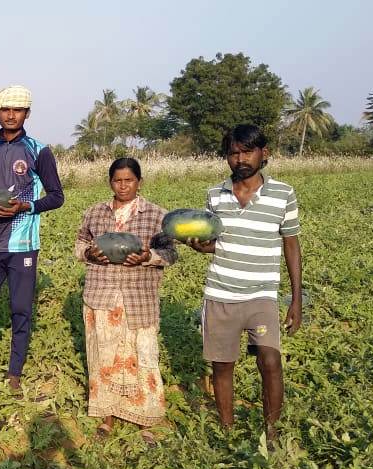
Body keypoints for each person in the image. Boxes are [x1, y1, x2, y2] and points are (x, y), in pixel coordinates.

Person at [186, 124, 302, 442]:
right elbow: (214, 242)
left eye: (247, 151)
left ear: (264, 153)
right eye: (233, 153)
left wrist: (296, 299)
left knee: (270, 359)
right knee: (222, 365)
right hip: (220, 293)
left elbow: (291, 244)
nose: (240, 159)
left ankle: (272, 433)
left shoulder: (283, 194)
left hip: (261, 295)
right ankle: (227, 431)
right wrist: (200, 246)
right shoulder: (215, 195)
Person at [74, 157, 178, 444]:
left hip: (138, 298)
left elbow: (170, 254)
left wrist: (148, 257)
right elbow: (80, 244)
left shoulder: (157, 215)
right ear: (110, 182)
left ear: (139, 182)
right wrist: (88, 254)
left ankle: (145, 420)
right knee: (104, 355)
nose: (123, 186)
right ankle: (107, 417)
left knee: (143, 355)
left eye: (129, 180)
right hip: (102, 295)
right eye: (117, 181)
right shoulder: (95, 213)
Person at [0, 85, 64, 390]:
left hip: (23, 245)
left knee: (20, 310)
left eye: (18, 110)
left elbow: (57, 196)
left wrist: (26, 206)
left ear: (27, 113)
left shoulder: (38, 150)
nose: (11, 115)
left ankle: (15, 372)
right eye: (6, 110)